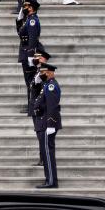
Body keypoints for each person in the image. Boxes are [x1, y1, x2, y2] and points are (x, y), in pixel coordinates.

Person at [32, 61, 61, 189]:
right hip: (42, 123)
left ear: (49, 73)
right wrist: (36, 82)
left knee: (48, 153)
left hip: (47, 123)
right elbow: (35, 98)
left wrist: (51, 124)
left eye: (43, 72)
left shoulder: (51, 86)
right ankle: (48, 179)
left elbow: (52, 106)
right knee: (45, 153)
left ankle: (51, 181)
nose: (41, 74)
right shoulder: (45, 85)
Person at [17, 0, 42, 113]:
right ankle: (31, 106)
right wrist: (19, 18)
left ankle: (32, 108)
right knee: (29, 81)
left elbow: (32, 39)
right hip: (25, 51)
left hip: (28, 53)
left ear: (31, 8)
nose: (24, 8)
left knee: (31, 81)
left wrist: (31, 56)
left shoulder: (32, 21)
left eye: (26, 6)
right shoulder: (28, 19)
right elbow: (20, 33)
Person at [29, 50, 52, 167]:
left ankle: (44, 158)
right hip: (35, 108)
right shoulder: (38, 71)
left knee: (41, 136)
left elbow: (42, 90)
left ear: (43, 59)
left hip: (40, 109)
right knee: (39, 135)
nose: (36, 58)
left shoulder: (44, 73)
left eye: (39, 57)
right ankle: (42, 157)